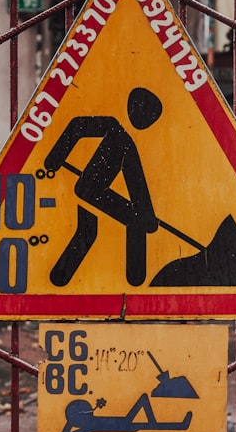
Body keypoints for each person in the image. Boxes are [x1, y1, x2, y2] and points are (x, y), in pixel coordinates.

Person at [45, 87, 162, 287]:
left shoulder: (127, 143)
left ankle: (135, 280)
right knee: (92, 231)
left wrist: (147, 216)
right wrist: (54, 160)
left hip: (93, 193)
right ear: (133, 107)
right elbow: (77, 126)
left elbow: (136, 183)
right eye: (146, 113)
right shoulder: (115, 129)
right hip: (88, 189)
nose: (146, 120)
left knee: (108, 227)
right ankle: (134, 279)